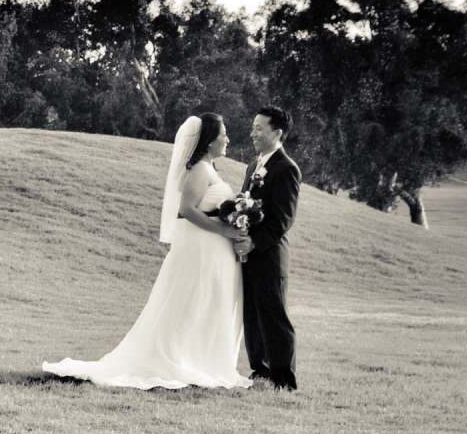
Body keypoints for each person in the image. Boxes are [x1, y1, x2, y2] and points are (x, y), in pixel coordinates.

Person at [43, 113, 251, 390]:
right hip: (201, 250)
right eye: (223, 134)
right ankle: (179, 359)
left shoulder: (210, 169)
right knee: (191, 303)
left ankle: (200, 358)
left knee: (204, 304)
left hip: (212, 253)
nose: (228, 139)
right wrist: (222, 230)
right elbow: (186, 210)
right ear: (210, 139)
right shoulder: (200, 169)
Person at [234, 106, 301, 391]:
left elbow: (283, 220)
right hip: (248, 256)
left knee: (273, 316)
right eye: (253, 127)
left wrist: (254, 241)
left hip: (270, 256)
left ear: (277, 132)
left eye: (259, 129)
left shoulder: (287, 169)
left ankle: (284, 377)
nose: (253, 133)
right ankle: (259, 369)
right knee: (252, 315)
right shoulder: (254, 165)